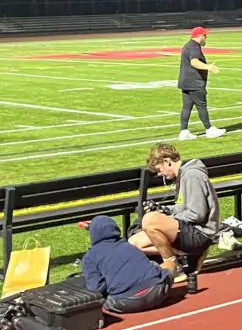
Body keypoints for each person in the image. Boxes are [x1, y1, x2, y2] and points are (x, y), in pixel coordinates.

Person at [129, 144, 219, 277]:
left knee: (149, 220)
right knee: (134, 243)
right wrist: (164, 210)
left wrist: (169, 219)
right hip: (190, 228)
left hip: (201, 233)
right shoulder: (183, 175)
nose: (161, 175)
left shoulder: (192, 176)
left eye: (160, 170)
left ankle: (173, 266)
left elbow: (197, 213)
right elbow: (183, 207)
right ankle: (186, 256)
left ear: (167, 161)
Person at [84, 216, 173, 314]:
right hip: (156, 292)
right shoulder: (129, 245)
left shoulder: (90, 256)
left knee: (105, 302)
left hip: (126, 302)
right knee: (165, 265)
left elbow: (96, 288)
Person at [177, 27, 226, 141]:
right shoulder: (194, 46)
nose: (206, 38)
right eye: (205, 36)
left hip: (186, 81)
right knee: (201, 106)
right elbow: (194, 62)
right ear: (200, 36)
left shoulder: (188, 45)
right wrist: (208, 67)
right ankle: (209, 129)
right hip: (194, 82)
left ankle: (184, 131)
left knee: (187, 107)